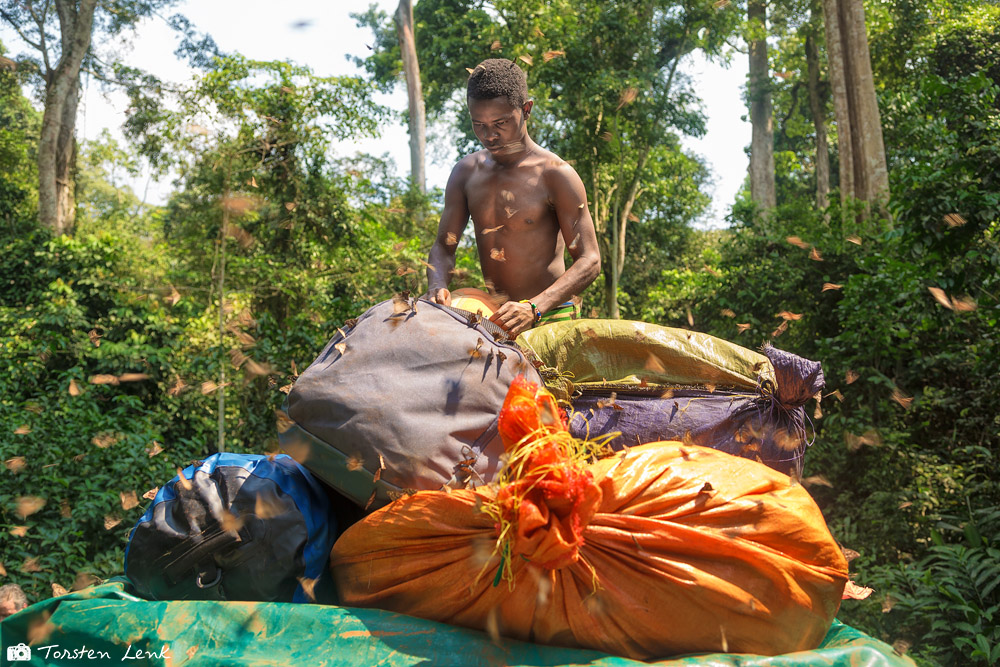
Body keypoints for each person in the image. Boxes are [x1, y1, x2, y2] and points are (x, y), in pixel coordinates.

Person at [426, 59, 601, 336]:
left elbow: (590, 260)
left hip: (550, 314)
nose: (489, 135)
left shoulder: (555, 175)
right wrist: (437, 285)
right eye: (478, 124)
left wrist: (534, 308)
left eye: (501, 122)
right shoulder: (465, 174)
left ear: (526, 109)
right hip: (496, 318)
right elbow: (443, 248)